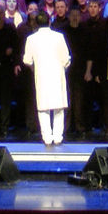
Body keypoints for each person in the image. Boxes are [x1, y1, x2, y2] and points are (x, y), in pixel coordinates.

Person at [23, 11, 72, 146]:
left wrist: (34, 67)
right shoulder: (59, 37)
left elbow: (27, 60)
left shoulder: (31, 39)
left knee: (43, 108)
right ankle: (58, 137)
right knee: (58, 107)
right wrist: (64, 66)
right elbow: (66, 59)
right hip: (57, 75)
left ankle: (47, 138)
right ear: (49, 21)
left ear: (36, 23)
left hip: (41, 76)